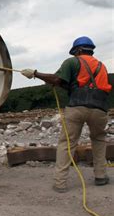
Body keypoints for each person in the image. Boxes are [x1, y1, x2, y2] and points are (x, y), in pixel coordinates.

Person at [21, 36, 111, 192]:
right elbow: (75, 84)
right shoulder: (102, 66)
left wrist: (35, 73)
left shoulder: (72, 62)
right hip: (100, 108)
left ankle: (60, 183)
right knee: (99, 140)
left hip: (77, 107)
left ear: (79, 50)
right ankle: (101, 176)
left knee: (67, 144)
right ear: (91, 50)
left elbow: (57, 79)